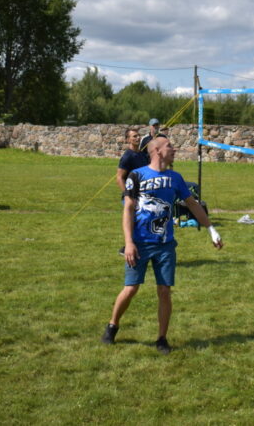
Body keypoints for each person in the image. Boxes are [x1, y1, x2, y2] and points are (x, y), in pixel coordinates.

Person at [101, 136, 223, 353]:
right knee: (131, 288)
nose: (174, 149)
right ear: (157, 150)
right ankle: (112, 325)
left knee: (164, 291)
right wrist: (128, 243)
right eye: (169, 146)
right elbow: (128, 209)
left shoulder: (175, 178)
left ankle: (161, 338)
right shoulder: (137, 176)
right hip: (139, 243)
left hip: (165, 245)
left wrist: (211, 230)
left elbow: (192, 204)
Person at [116, 128, 149, 201]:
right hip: (132, 197)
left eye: (139, 135)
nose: (138, 138)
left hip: (143, 195)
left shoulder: (143, 155)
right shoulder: (127, 156)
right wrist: (128, 196)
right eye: (135, 136)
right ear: (128, 140)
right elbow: (119, 178)